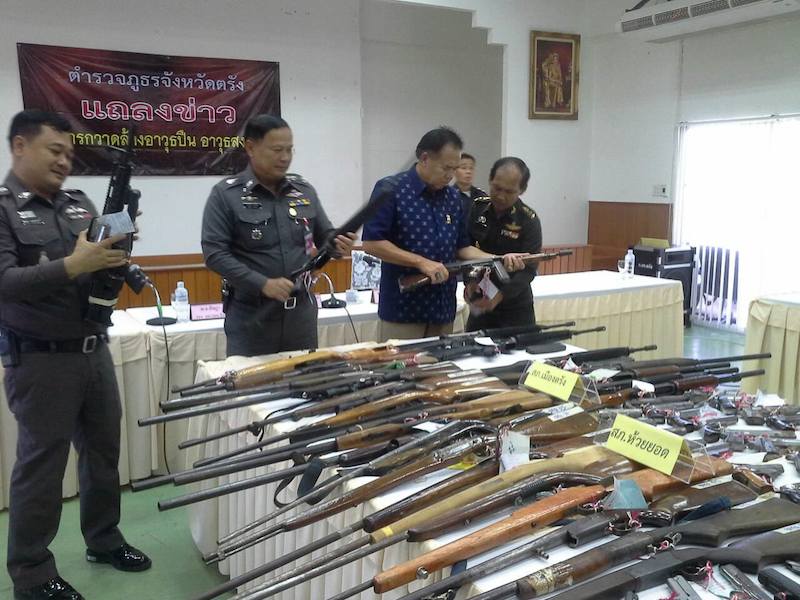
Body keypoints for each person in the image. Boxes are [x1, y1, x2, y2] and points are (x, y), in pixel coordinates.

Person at [0, 110, 151, 600]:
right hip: (40, 359)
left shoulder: (78, 203)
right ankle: (32, 574)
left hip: (93, 348)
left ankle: (103, 539)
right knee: (42, 468)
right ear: (20, 146)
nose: (65, 161)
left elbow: (104, 260)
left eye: (69, 152)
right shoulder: (1, 210)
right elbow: (5, 283)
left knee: (103, 454)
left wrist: (118, 254)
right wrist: (74, 264)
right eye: (54, 150)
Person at [202, 114, 356, 357]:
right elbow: (215, 254)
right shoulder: (226, 195)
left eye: (289, 150)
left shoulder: (303, 191)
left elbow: (325, 237)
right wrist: (263, 284)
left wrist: (338, 244)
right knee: (253, 390)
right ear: (250, 148)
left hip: (301, 316)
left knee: (305, 387)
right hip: (252, 318)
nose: (285, 157)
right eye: (276, 150)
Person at [362, 127, 525, 341]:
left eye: (454, 169)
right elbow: (372, 243)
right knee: (400, 371)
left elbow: (462, 247)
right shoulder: (390, 189)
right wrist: (421, 262)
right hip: (403, 310)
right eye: (446, 168)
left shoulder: (453, 197)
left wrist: (497, 259)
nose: (450, 176)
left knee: (441, 371)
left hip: (443, 309)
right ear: (425, 158)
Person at [465, 156, 542, 332]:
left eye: (509, 191)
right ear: (490, 180)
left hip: (515, 307)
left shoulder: (528, 220)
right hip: (479, 300)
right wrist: (469, 283)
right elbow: (464, 249)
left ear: (521, 190)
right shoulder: (476, 208)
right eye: (497, 188)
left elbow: (529, 270)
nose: (500, 196)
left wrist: (498, 297)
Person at [452, 152, 486, 218]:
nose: (468, 172)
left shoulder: (481, 195)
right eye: (464, 168)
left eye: (471, 168)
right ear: (454, 171)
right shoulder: (449, 196)